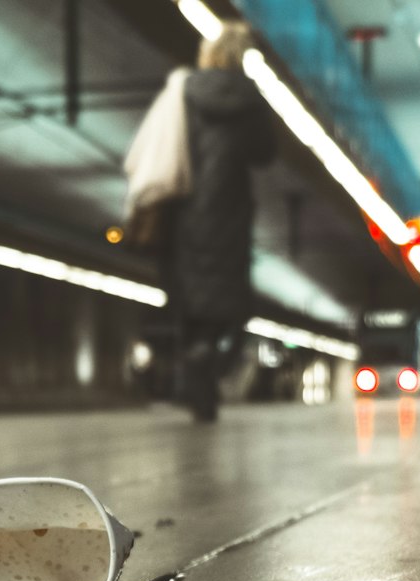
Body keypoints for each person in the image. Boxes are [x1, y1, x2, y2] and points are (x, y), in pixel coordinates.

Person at [170, 22, 275, 422]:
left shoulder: (185, 91)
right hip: (229, 208)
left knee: (192, 296)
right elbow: (265, 153)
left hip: (188, 207)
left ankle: (195, 368)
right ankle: (208, 361)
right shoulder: (249, 96)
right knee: (231, 302)